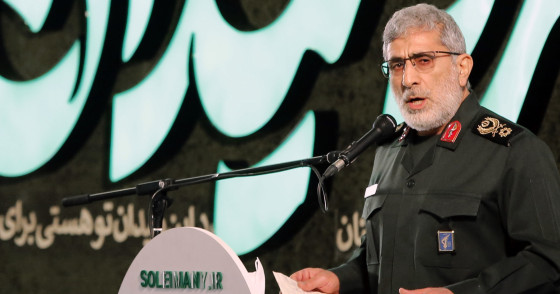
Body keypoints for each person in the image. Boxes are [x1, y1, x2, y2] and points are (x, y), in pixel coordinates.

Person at [290, 3, 560, 294]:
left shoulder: (516, 151)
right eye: (397, 65)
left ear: (462, 67)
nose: (408, 79)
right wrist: (340, 279)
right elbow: (377, 260)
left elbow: (548, 263)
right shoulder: (388, 152)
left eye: (423, 60)